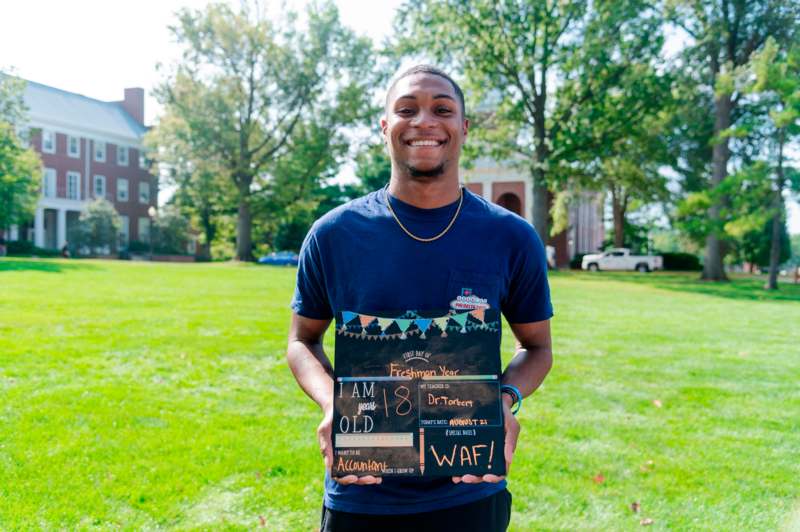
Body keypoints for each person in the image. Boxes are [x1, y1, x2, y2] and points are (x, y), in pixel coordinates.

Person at [287, 65, 553, 532]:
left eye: (443, 109)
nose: (424, 121)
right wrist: (332, 404)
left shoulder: (511, 236)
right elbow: (301, 342)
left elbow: (537, 347)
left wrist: (504, 399)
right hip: (363, 493)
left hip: (470, 485)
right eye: (406, 109)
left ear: (463, 128)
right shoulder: (333, 234)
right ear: (385, 127)